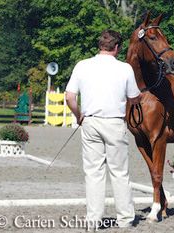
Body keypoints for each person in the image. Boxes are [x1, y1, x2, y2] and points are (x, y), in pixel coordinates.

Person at [65, 29, 141, 229]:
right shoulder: (125, 69)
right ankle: (125, 219)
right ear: (116, 47)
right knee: (119, 172)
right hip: (114, 123)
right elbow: (134, 98)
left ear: (100, 46)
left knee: (93, 173)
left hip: (90, 121)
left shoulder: (82, 65)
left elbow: (69, 97)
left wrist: (78, 115)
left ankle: (93, 219)